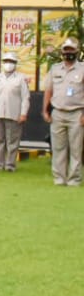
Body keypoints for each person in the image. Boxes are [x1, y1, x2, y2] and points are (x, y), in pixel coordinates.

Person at [44, 36, 83, 186]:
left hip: (77, 113)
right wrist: (45, 111)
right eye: (66, 50)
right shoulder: (55, 69)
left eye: (71, 50)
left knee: (76, 149)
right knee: (58, 148)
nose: (68, 53)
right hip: (58, 112)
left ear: (77, 51)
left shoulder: (83, 69)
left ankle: (74, 179)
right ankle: (59, 179)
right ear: (62, 51)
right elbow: (48, 90)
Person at [0, 54, 28, 172]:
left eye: (11, 61)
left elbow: (25, 97)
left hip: (14, 113)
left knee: (12, 141)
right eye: (6, 61)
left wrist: (23, 113)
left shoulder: (21, 79)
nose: (8, 63)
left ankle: (10, 165)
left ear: (15, 63)